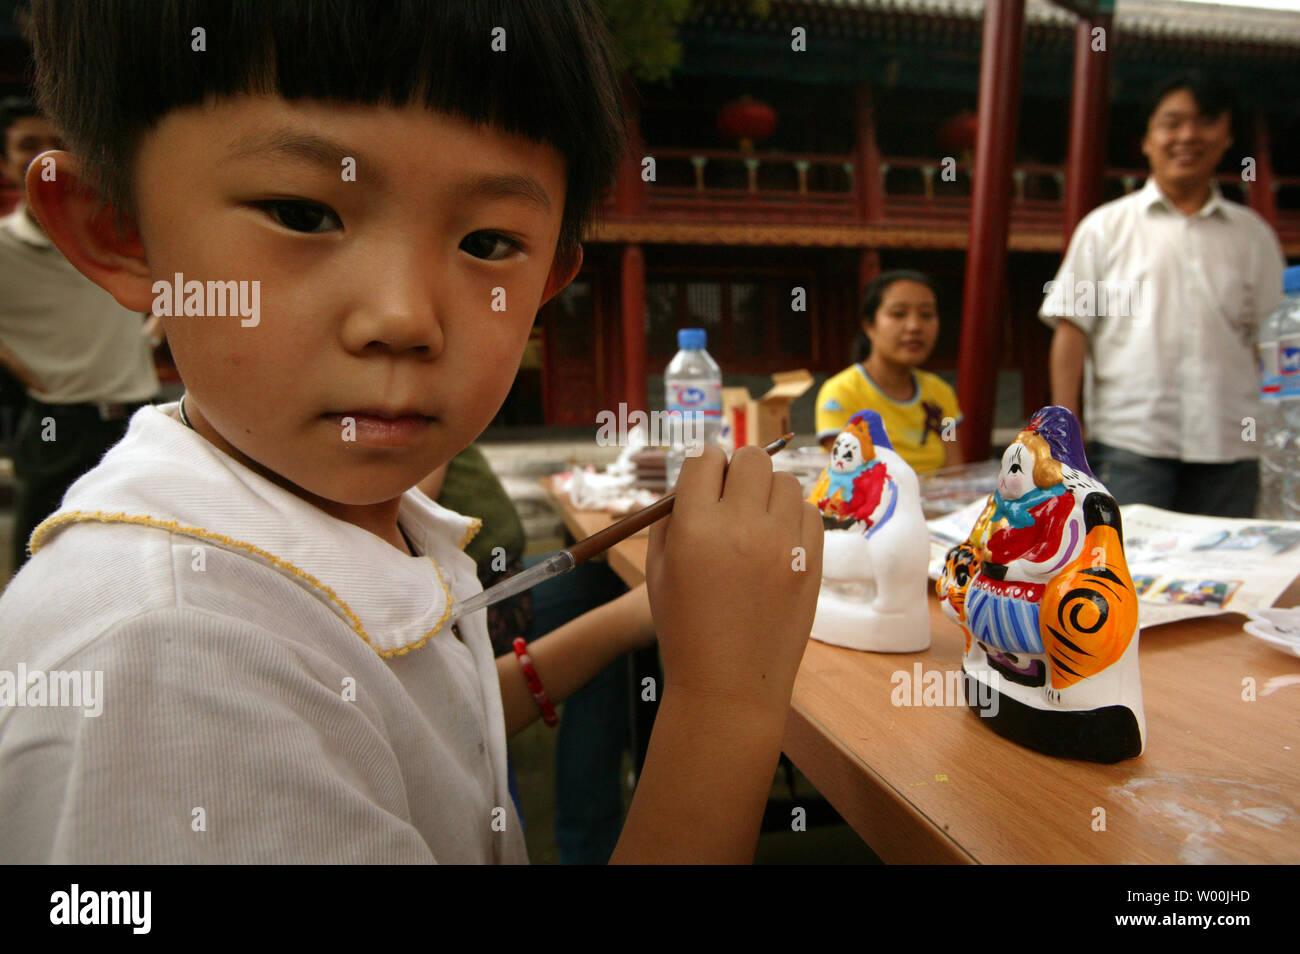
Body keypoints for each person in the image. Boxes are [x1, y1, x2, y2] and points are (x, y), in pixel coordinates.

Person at [0, 0, 823, 864]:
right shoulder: (172, 666)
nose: (404, 317)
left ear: (546, 280)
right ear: (119, 230)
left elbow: (412, 725)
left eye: (487, 241)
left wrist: (643, 616)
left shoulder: (324, 522)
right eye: (303, 214)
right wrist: (727, 701)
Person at [1042, 72, 1285, 517]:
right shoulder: (1104, 228)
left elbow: (1268, 341)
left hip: (1231, 447)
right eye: (1172, 123)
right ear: (1147, 139)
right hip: (1130, 446)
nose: (1189, 135)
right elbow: (1071, 330)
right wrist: (1063, 436)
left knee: (1225, 577)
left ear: (1227, 137)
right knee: (1124, 576)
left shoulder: (1255, 238)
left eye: (1206, 121)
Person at [0, 96, 161, 572]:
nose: (46, 158)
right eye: (28, 146)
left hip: (137, 422)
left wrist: (150, 334)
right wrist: (17, 365)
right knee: (40, 567)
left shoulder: (124, 235)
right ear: (5, 162)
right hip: (57, 427)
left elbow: (188, 284)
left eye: (59, 143)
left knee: (139, 565)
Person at [815, 269, 963, 472]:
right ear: (869, 325)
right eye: (898, 314)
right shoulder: (840, 394)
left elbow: (955, 471)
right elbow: (845, 474)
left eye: (927, 315)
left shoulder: (941, 393)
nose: (914, 326)